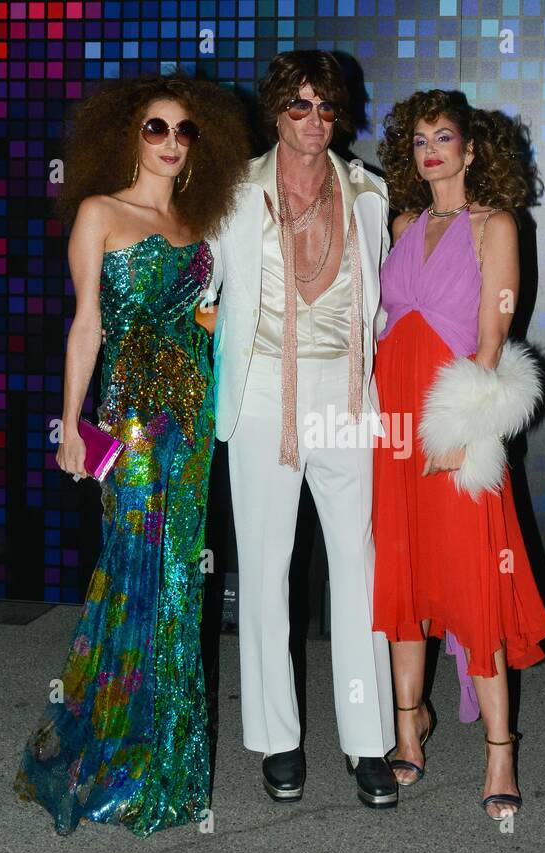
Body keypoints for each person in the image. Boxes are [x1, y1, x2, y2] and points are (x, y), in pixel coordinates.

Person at [14, 73, 249, 837]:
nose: (173, 143)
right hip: (132, 422)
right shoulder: (99, 212)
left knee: (180, 579)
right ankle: (116, 756)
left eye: (185, 131)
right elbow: (88, 325)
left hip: (192, 418)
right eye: (158, 128)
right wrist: (71, 424)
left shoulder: (200, 223)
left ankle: (167, 759)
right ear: (130, 134)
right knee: (138, 569)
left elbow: (208, 324)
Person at [201, 50, 398, 809]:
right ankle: (280, 738)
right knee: (266, 567)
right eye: (299, 107)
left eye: (325, 108)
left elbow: (377, 311)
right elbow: (203, 287)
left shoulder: (370, 197)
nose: (313, 122)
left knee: (359, 567)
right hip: (260, 395)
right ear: (275, 112)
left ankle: (367, 741)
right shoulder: (234, 194)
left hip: (346, 395)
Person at [373, 90, 545, 819]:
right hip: (390, 417)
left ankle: (501, 749)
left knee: (476, 583)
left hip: (451, 422)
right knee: (402, 577)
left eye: (444, 137)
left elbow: (491, 339)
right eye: (419, 140)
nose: (431, 151)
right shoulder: (401, 222)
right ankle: (407, 728)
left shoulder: (495, 226)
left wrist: (457, 432)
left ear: (472, 149)